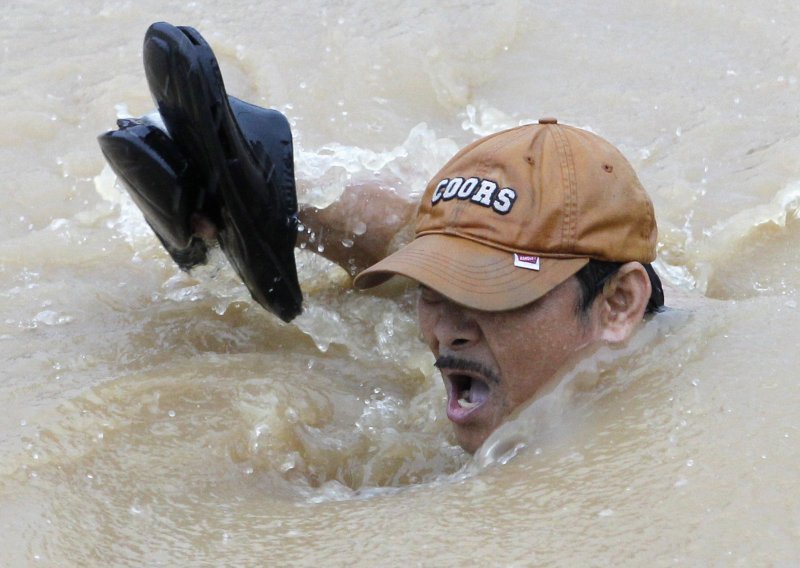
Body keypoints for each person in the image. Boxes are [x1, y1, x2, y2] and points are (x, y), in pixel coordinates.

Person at [99, 22, 664, 454]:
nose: (446, 333)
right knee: (402, 245)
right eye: (435, 289)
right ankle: (287, 205)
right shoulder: (531, 352)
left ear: (617, 306)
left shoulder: (653, 416)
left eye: (491, 293)